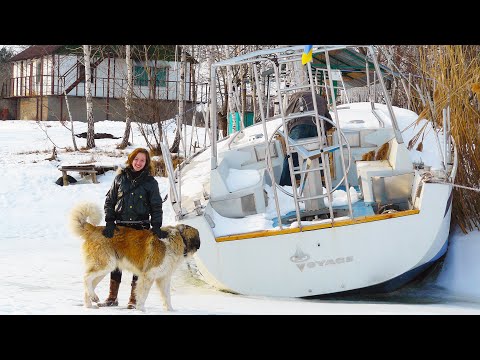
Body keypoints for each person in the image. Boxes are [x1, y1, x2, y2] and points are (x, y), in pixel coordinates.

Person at [99, 147, 164, 309]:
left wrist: (156, 226)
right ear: (131, 159)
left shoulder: (151, 183)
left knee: (138, 265)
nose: (138, 163)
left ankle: (134, 299)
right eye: (136, 159)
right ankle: (112, 297)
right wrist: (109, 221)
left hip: (140, 229)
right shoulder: (120, 178)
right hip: (120, 228)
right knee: (116, 264)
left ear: (146, 163)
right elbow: (110, 201)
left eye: (142, 160)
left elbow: (156, 206)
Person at [279, 91, 334, 186]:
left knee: (291, 155)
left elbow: (287, 117)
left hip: (299, 126)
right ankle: (321, 182)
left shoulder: (296, 96)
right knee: (319, 153)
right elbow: (329, 121)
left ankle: (285, 185)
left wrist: (286, 132)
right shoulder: (321, 99)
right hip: (317, 126)